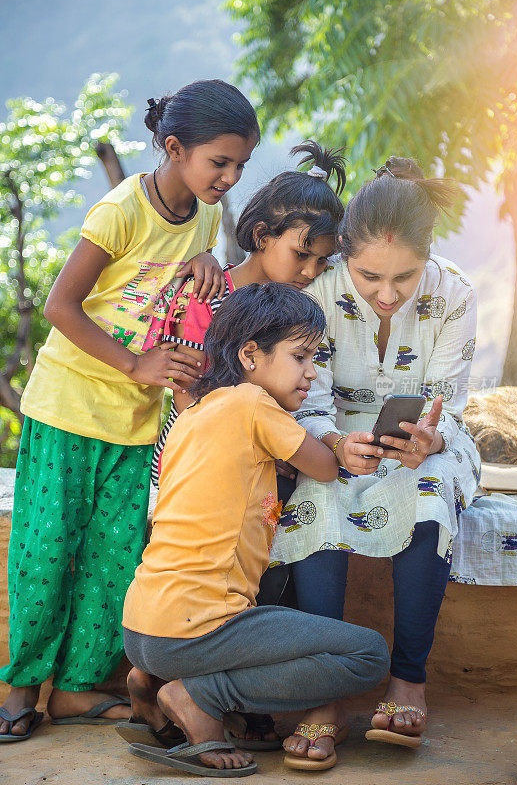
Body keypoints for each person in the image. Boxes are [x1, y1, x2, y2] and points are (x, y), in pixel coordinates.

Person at [0, 79, 259, 741]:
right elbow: (60, 307)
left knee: (115, 559)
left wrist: (204, 256)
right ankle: (22, 685)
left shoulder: (202, 214)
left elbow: (195, 276)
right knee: (47, 550)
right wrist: (136, 365)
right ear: (174, 148)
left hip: (136, 421)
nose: (228, 178)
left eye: (239, 166)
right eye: (218, 163)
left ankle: (78, 689)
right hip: (67, 408)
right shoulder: (119, 211)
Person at [120, 283, 390, 777]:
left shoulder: (193, 414)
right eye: (300, 356)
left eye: (317, 357)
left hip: (142, 624)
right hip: (200, 623)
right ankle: (198, 697)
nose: (312, 372)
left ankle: (147, 680)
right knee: (368, 653)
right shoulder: (251, 403)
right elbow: (326, 467)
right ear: (250, 355)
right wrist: (344, 444)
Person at [269, 157, 481, 748]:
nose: (386, 295)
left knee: (433, 482)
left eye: (404, 278)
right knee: (318, 485)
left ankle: (408, 681)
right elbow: (308, 393)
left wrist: (431, 438)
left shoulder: (456, 293)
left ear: (429, 256)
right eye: (367, 277)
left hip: (429, 442)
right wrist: (335, 442)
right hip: (333, 430)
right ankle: (324, 692)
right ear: (344, 257)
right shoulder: (319, 289)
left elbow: (448, 400)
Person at [147, 140, 346, 490]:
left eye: (321, 261)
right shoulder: (207, 295)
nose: (312, 271)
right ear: (262, 235)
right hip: (195, 461)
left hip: (265, 455)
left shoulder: (295, 308)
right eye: (301, 254)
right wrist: (265, 441)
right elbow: (186, 396)